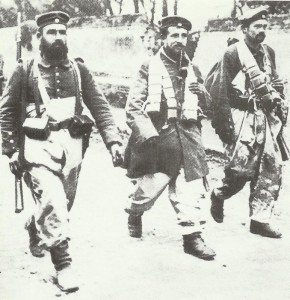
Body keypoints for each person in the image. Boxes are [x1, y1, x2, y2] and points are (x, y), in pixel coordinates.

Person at [0, 11, 122, 292]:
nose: (58, 38)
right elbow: (6, 112)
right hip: (37, 147)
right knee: (53, 201)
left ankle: (34, 224)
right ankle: (63, 264)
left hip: (72, 146)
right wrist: (11, 151)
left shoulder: (79, 71)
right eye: (51, 33)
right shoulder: (25, 70)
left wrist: (113, 141)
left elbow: (100, 106)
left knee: (62, 204)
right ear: (40, 37)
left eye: (62, 33)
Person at [123, 16, 215, 260]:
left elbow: (208, 106)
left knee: (191, 189)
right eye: (174, 35)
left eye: (184, 36)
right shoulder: (148, 66)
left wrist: (202, 93)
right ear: (163, 38)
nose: (180, 40)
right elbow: (133, 107)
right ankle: (135, 212)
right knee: (149, 189)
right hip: (160, 139)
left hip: (189, 137)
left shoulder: (193, 69)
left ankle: (192, 236)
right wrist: (149, 133)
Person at [205, 7, 288, 238]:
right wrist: (223, 127)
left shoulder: (268, 51)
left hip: (267, 119)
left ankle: (260, 220)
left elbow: (275, 80)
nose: (262, 30)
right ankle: (219, 194)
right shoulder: (233, 53)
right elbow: (218, 90)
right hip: (241, 117)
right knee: (240, 170)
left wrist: (278, 98)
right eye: (257, 26)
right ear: (245, 29)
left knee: (271, 168)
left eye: (264, 26)